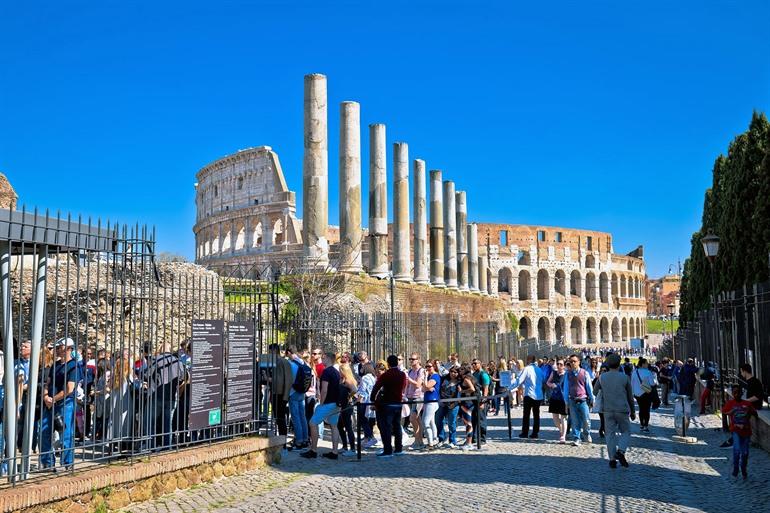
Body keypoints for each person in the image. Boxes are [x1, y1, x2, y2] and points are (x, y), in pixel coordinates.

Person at [40, 337, 81, 471]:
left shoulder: (74, 366)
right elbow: (48, 382)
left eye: (60, 347)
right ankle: (47, 463)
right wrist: (46, 396)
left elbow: (69, 389)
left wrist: (53, 399)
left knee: (65, 433)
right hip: (50, 403)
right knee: (45, 431)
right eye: (57, 347)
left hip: (65, 403)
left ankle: (67, 463)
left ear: (69, 348)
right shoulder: (55, 365)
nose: (57, 349)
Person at [593, 353, 636, 469]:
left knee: (610, 434)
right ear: (619, 364)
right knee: (626, 431)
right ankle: (621, 451)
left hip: (607, 410)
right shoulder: (624, 377)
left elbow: (595, 392)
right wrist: (633, 411)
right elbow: (630, 397)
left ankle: (612, 459)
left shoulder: (602, 377)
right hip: (622, 409)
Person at [301, 352, 343, 459]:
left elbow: (324, 390)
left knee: (312, 423)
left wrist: (321, 403)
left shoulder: (326, 372)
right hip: (336, 403)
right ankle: (334, 452)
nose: (322, 359)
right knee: (334, 426)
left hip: (327, 403)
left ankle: (313, 450)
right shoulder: (336, 372)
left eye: (323, 358)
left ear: (328, 359)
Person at [370, 355, 407, 458]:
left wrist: (372, 399)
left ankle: (388, 450)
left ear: (388, 364)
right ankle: (398, 448)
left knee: (386, 427)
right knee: (397, 426)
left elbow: (376, 387)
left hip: (387, 403)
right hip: (398, 403)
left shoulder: (386, 375)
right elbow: (403, 386)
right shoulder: (402, 374)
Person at [722, 383, 757, 479]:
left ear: (742, 393)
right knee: (737, 450)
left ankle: (744, 468)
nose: (737, 394)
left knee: (745, 453)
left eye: (738, 392)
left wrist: (749, 414)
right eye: (735, 393)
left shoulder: (747, 404)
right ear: (733, 394)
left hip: (746, 431)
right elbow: (724, 411)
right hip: (735, 430)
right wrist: (730, 412)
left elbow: (754, 413)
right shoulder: (730, 403)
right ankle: (736, 468)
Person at [562, 354, 595, 446]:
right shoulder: (568, 374)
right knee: (575, 421)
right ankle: (577, 438)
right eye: (571, 362)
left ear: (579, 362)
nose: (572, 363)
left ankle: (587, 433)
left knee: (586, 420)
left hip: (583, 400)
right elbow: (566, 389)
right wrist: (566, 402)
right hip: (572, 399)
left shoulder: (584, 373)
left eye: (574, 361)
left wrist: (592, 398)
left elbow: (589, 387)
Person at [510, 355, 544, 439]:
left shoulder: (527, 369)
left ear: (529, 360)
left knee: (526, 415)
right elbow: (543, 380)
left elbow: (519, 380)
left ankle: (525, 432)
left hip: (529, 394)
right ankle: (535, 433)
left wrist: (509, 387)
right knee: (536, 415)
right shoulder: (539, 370)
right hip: (538, 394)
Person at [285, 345, 310, 451]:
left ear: (289, 353)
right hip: (302, 392)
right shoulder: (303, 362)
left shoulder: (290, 364)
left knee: (295, 417)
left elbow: (289, 379)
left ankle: (299, 441)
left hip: (293, 392)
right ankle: (305, 439)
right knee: (302, 416)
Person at [269, 343, 293, 442]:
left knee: (281, 418)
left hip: (281, 395)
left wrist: (285, 397)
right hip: (274, 393)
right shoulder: (273, 362)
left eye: (270, 352)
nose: (269, 353)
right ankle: (278, 439)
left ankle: (283, 441)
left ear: (274, 351)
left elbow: (288, 380)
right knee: (277, 418)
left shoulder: (284, 362)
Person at [404, 353, 426, 449]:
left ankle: (417, 441)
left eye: (413, 359)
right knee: (417, 420)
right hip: (409, 396)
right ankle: (420, 441)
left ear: (418, 360)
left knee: (412, 419)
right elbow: (407, 385)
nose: (411, 361)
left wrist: (409, 379)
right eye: (410, 359)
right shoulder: (410, 371)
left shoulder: (421, 371)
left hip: (418, 397)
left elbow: (418, 384)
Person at [436, 366, 461, 448]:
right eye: (452, 371)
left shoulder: (460, 382)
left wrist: (453, 405)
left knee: (451, 423)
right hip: (442, 403)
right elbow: (439, 389)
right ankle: (441, 439)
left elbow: (459, 396)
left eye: (455, 372)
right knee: (438, 421)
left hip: (453, 405)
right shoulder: (444, 379)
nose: (453, 373)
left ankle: (452, 440)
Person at [631, 357, 657, 433]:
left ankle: (642, 424)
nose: (647, 364)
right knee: (647, 410)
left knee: (641, 409)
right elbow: (652, 383)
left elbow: (632, 383)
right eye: (646, 363)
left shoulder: (634, 372)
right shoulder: (648, 372)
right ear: (643, 364)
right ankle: (645, 425)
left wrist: (633, 393)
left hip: (637, 394)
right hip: (646, 393)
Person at [337, 362, 358, 456]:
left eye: (340, 370)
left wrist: (349, 396)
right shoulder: (343, 380)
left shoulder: (348, 380)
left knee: (348, 427)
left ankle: (352, 449)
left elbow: (354, 390)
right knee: (340, 425)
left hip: (347, 406)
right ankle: (345, 446)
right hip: (343, 405)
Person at [356, 362, 378, 449]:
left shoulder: (365, 378)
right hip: (372, 401)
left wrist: (358, 400)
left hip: (365, 401)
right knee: (369, 420)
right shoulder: (373, 377)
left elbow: (362, 391)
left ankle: (370, 437)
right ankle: (368, 437)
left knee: (363, 419)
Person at [546, 357, 568, 443]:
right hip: (554, 397)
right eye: (558, 364)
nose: (559, 366)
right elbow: (548, 382)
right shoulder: (554, 372)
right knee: (555, 419)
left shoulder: (566, 374)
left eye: (561, 364)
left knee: (564, 418)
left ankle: (563, 436)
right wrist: (551, 385)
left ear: (564, 366)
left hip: (563, 398)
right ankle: (561, 430)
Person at [420, 361, 441, 449]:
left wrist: (425, 380)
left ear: (434, 366)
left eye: (430, 366)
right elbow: (423, 389)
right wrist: (426, 387)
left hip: (432, 401)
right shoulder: (430, 376)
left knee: (425, 422)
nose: (428, 368)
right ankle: (434, 440)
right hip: (428, 401)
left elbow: (427, 386)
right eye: (426, 366)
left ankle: (430, 443)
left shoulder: (435, 376)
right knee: (431, 422)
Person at [471, 358, 490, 444]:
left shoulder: (483, 374)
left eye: (475, 363)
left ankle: (482, 438)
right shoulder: (474, 374)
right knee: (474, 419)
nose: (474, 365)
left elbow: (486, 389)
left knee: (481, 420)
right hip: (474, 400)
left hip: (481, 400)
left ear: (480, 364)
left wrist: (483, 401)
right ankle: (474, 438)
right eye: (473, 364)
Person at [458, 365, 477, 450]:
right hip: (466, 402)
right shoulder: (466, 378)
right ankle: (468, 441)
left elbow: (472, 389)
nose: (459, 371)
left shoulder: (466, 379)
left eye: (461, 370)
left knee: (468, 423)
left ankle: (469, 443)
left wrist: (462, 391)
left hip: (467, 403)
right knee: (467, 423)